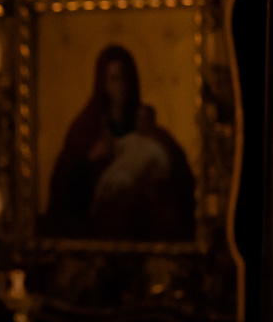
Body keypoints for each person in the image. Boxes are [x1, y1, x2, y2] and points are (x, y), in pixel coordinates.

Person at [44, 41, 196, 239]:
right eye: (114, 79)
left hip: (145, 229)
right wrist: (90, 160)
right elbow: (64, 186)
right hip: (100, 230)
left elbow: (180, 179)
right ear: (103, 84)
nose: (122, 86)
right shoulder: (86, 129)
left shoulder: (149, 128)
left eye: (126, 78)